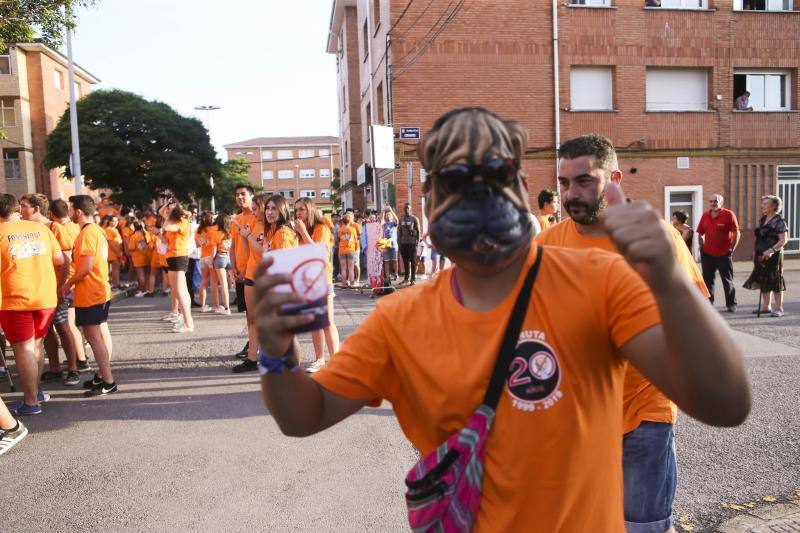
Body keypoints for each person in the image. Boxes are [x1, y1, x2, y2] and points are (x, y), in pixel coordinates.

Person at [251, 108, 750, 531]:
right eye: (455, 181)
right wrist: (276, 354)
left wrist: (669, 283)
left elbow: (725, 403)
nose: (477, 197)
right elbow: (305, 415)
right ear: (427, 201)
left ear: (522, 187)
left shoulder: (600, 280)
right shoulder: (398, 320)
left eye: (493, 177)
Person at [536, 133, 710, 533]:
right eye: (563, 183)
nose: (570, 194)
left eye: (584, 181)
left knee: (641, 527)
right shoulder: (546, 246)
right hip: (575, 421)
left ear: (614, 179)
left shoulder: (656, 237)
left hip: (643, 412)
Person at [0, 194, 64, 414]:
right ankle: (35, 392)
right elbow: (60, 259)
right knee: (36, 346)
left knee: (24, 349)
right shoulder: (41, 229)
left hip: (16, 299)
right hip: (45, 297)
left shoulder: (0, 233)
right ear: (16, 209)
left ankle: (31, 402)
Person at [19, 194, 78, 386]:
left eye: (24, 206)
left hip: (55, 288)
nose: (20, 210)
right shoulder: (28, 229)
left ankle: (73, 368)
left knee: (62, 326)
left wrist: (61, 288)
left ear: (36, 209)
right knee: (45, 331)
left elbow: (66, 261)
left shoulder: (55, 228)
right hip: (37, 290)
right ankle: (54, 368)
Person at [63, 195, 116, 397]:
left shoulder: (87, 233)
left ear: (77, 211)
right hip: (98, 289)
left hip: (91, 292)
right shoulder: (96, 230)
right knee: (97, 337)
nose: (69, 213)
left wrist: (67, 284)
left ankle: (108, 381)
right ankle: (102, 376)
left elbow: (85, 267)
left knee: (94, 338)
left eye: (70, 209)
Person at [294, 198, 340, 374]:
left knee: (327, 322)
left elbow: (319, 252)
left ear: (310, 211)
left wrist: (303, 231)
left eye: (302, 210)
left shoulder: (322, 228)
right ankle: (319, 359)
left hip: (323, 279)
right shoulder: (299, 230)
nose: (298, 213)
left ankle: (336, 361)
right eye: (296, 210)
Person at [48, 198, 89, 372]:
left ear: (51, 214)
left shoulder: (60, 229)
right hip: (77, 277)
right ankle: (80, 356)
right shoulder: (75, 227)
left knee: (69, 325)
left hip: (69, 279)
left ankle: (80, 359)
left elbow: (64, 258)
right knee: (72, 324)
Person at [232, 193, 269, 373]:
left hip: (265, 279)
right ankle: (252, 358)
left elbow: (263, 252)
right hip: (250, 275)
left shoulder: (270, 228)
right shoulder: (255, 225)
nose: (253, 213)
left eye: (255, 209)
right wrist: (245, 235)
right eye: (252, 209)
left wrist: (248, 237)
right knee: (253, 320)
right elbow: (249, 252)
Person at [743, 195, 788, 317]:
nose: (762, 205)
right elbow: (759, 238)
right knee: (763, 279)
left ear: (773, 206)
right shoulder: (763, 220)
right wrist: (755, 251)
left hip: (774, 255)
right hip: (760, 254)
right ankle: (766, 307)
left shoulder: (779, 221)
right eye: (763, 203)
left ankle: (779, 308)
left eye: (765, 204)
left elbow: (783, 240)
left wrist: (771, 251)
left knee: (775, 280)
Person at [697, 194, 740, 312]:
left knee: (727, 280)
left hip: (724, 254)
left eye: (715, 201)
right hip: (708, 254)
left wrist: (731, 249)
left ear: (721, 202)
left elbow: (737, 233)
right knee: (707, 280)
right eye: (710, 201)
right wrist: (701, 247)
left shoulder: (728, 214)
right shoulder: (705, 215)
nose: (713, 203)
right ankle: (708, 304)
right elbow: (700, 233)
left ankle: (731, 304)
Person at [159, 200, 194, 333]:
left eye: (172, 209)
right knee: (180, 290)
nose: (168, 211)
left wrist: (170, 213)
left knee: (180, 291)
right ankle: (186, 319)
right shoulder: (173, 221)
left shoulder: (183, 222)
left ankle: (187, 322)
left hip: (179, 257)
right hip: (171, 256)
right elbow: (161, 213)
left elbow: (167, 227)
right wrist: (167, 204)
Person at [229, 184, 256, 359]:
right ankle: (252, 343)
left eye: (243, 194)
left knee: (256, 314)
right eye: (237, 194)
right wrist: (233, 269)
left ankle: (256, 346)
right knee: (248, 314)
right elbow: (233, 246)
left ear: (251, 196)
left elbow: (256, 246)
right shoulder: (236, 219)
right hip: (239, 272)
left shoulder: (257, 217)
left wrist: (245, 269)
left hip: (253, 272)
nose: (240, 197)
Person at [195, 212, 219, 313]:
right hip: (211, 256)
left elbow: (197, 245)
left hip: (202, 257)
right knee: (213, 282)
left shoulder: (198, 230)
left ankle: (203, 306)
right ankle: (216, 306)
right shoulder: (214, 229)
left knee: (203, 282)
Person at [211, 213, 232, 315]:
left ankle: (227, 308)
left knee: (223, 285)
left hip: (220, 257)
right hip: (230, 257)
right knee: (233, 283)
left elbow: (214, 250)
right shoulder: (231, 233)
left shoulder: (216, 233)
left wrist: (212, 261)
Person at [398, 203, 421, 285]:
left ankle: (413, 279)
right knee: (405, 262)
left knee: (413, 262)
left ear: (410, 209)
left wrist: (417, 242)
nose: (406, 210)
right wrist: (399, 244)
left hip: (412, 243)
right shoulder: (401, 219)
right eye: (405, 208)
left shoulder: (414, 219)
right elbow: (399, 232)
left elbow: (418, 231)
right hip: (403, 244)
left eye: (408, 208)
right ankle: (406, 278)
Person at [128, 221, 152, 298]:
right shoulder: (147, 234)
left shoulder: (133, 236)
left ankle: (142, 291)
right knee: (148, 275)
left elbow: (131, 248)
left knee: (141, 276)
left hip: (138, 259)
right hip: (148, 257)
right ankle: (148, 289)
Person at [337, 212, 359, 288]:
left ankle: (343, 284)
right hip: (351, 250)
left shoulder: (340, 230)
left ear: (342, 221)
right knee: (351, 268)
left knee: (343, 268)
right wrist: (355, 248)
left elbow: (338, 239)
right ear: (350, 221)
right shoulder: (353, 229)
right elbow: (356, 240)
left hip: (342, 250)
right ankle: (352, 283)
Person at [101, 216, 123, 289]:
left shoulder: (115, 229)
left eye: (117, 221)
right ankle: (115, 284)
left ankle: (116, 283)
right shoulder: (108, 229)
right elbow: (110, 242)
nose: (116, 222)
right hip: (112, 252)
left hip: (117, 252)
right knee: (114, 269)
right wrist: (117, 252)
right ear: (109, 222)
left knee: (116, 269)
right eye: (114, 221)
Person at [380, 208, 398, 286]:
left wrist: (391, 211)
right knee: (386, 261)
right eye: (386, 215)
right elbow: (380, 219)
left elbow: (397, 220)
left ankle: (396, 274)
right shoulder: (384, 224)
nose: (388, 216)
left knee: (394, 260)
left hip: (393, 243)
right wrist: (383, 211)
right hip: (385, 243)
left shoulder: (393, 223)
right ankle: (387, 275)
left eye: (389, 215)